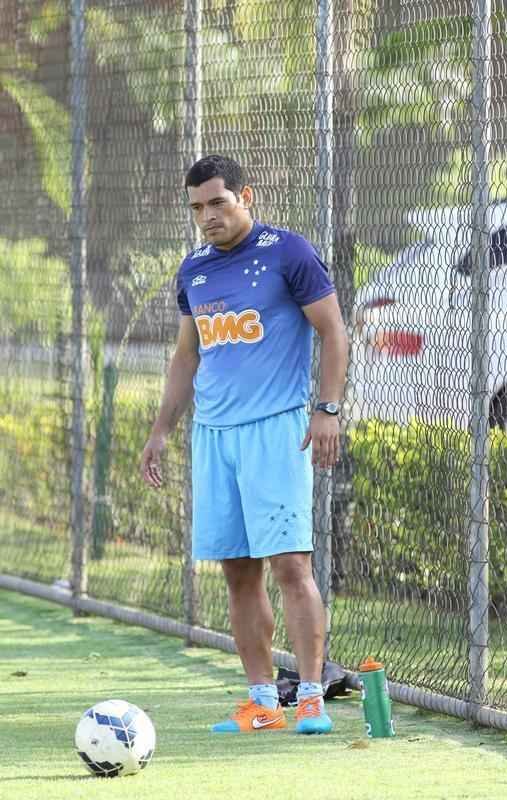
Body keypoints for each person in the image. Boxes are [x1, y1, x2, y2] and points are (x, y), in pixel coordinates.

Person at [141, 154, 349, 735]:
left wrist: (327, 409)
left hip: (277, 431)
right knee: (237, 572)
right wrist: (161, 431)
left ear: (245, 196)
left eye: (217, 203)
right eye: (197, 208)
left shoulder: (288, 252)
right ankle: (262, 701)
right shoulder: (194, 271)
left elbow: (332, 330)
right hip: (215, 437)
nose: (208, 217)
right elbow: (187, 355)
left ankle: (310, 697)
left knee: (289, 564)